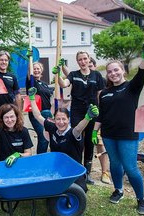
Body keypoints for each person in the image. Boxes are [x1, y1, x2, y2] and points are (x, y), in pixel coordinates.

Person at [92, 42, 144, 215]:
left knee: (130, 167)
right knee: (115, 164)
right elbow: (101, 115)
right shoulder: (104, 93)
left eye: (116, 70)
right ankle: (118, 190)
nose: (113, 73)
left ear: (123, 71)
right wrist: (94, 131)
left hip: (127, 135)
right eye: (110, 71)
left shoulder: (131, 87)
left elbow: (142, 72)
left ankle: (141, 199)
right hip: (109, 135)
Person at [28, 87, 99, 192]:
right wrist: (32, 98)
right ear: (54, 120)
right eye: (58, 119)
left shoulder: (73, 133)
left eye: (63, 119)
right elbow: (38, 115)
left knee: (76, 193)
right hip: (57, 170)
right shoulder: (52, 128)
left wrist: (87, 117)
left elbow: (79, 128)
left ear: (68, 119)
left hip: (73, 172)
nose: (61, 122)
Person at [55, 51, 105, 184]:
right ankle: (76, 169)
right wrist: (57, 74)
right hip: (77, 110)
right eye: (80, 60)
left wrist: (100, 111)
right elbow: (64, 84)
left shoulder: (97, 75)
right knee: (76, 138)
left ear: (89, 60)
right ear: (77, 62)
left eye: (85, 59)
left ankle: (87, 173)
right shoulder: (74, 75)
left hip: (92, 111)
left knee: (89, 141)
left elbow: (100, 94)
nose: (83, 62)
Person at [87, 57, 111, 184]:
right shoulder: (81, 78)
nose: (89, 68)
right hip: (84, 117)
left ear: (95, 66)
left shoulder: (101, 80)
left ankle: (105, 173)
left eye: (91, 65)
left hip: (99, 118)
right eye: (87, 66)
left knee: (100, 144)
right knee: (84, 144)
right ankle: (85, 172)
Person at [26, 61, 54, 154]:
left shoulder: (45, 84)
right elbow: (30, 76)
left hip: (47, 112)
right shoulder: (31, 82)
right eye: (34, 68)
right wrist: (30, 62)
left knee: (48, 136)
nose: (36, 70)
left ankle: (45, 156)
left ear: (41, 70)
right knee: (43, 137)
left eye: (38, 68)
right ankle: (40, 158)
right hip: (36, 113)